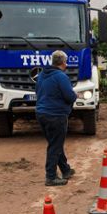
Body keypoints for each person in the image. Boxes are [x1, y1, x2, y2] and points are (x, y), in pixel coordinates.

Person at [36, 50, 77, 186]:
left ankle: (65, 170)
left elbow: (38, 92)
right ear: (64, 62)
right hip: (56, 115)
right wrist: (75, 95)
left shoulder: (42, 75)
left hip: (42, 114)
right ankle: (51, 177)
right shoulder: (61, 76)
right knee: (55, 146)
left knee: (55, 143)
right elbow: (69, 96)